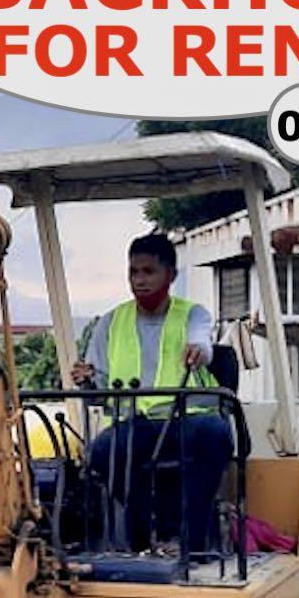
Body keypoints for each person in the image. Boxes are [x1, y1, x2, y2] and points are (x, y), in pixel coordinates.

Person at [70, 232, 231, 555]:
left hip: (187, 419)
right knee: (102, 450)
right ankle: (142, 537)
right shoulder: (111, 322)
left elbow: (202, 340)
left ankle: (192, 542)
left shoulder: (193, 315)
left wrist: (199, 350)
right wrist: (86, 382)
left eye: (148, 271)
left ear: (170, 275)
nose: (139, 280)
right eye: (133, 272)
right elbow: (98, 389)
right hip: (135, 424)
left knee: (217, 433)